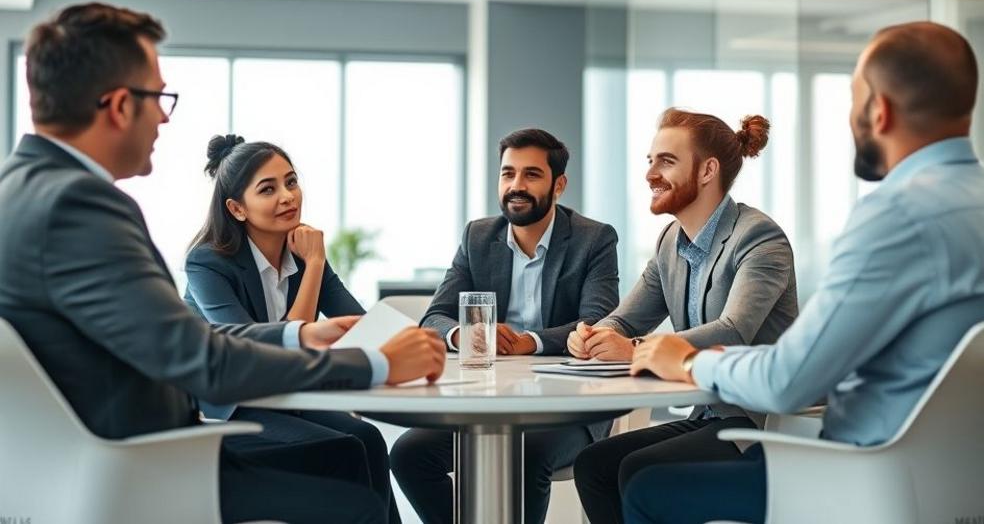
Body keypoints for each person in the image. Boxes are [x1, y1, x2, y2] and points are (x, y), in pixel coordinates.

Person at [0, 2, 445, 524]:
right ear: (120, 105)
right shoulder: (81, 207)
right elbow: (204, 364)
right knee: (354, 505)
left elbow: (181, 341)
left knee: (352, 450)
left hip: (75, 463)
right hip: (141, 468)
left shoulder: (20, 188)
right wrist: (379, 364)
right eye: (159, 98)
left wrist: (295, 336)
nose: (164, 120)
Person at [622, 21, 984, 524]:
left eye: (854, 100)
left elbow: (788, 380)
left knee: (646, 489)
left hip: (865, 479)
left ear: (879, 111)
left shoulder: (896, 216)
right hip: (961, 481)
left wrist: (688, 362)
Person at [569, 108, 798, 524]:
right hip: (704, 413)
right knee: (594, 465)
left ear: (708, 170)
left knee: (638, 471)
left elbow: (734, 331)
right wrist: (593, 335)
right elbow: (625, 319)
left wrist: (636, 349)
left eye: (666, 161)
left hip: (754, 422)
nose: (650, 173)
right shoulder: (671, 241)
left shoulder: (760, 238)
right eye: (650, 161)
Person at [391, 128, 620, 524]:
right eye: (507, 173)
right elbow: (435, 317)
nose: (516, 185)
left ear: (559, 184)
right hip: (487, 404)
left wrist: (528, 343)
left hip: (569, 408)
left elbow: (597, 321)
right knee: (409, 454)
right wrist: (465, 334)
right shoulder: (478, 236)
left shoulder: (594, 239)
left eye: (531, 174)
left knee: (524, 453)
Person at [184, 134, 400, 523]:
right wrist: (314, 266)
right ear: (236, 208)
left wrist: (408, 339)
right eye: (268, 189)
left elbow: (360, 326)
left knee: (367, 438)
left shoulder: (300, 253)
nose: (287, 196)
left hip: (287, 396)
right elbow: (253, 351)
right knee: (341, 448)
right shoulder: (207, 264)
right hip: (229, 405)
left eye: (291, 181)